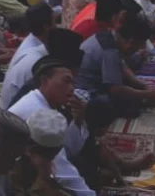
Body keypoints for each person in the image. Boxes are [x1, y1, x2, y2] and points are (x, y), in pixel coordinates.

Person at [9, 57, 96, 196]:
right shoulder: (36, 110)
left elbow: (67, 149)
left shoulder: (45, 104)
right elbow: (62, 170)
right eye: (66, 81)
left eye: (73, 83)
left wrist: (78, 119)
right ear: (44, 81)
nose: (72, 88)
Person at [75, 15, 155, 119]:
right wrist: (146, 94)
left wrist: (142, 86)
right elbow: (115, 89)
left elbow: (122, 66)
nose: (138, 49)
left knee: (132, 90)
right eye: (138, 46)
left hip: (98, 81)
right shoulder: (110, 52)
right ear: (131, 42)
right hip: (87, 90)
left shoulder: (109, 36)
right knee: (129, 106)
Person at [10, 3, 54, 68]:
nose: (56, 26)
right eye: (55, 22)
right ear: (46, 26)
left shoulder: (35, 39)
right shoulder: (37, 51)